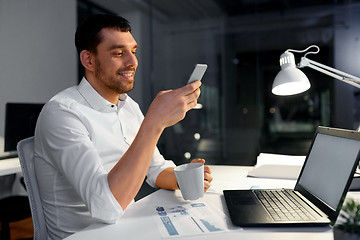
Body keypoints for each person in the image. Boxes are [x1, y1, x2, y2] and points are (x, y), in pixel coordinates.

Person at [34, 14, 213, 239]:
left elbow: (154, 169)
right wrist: (154, 123)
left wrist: (182, 177)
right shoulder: (62, 113)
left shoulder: (128, 106)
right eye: (118, 53)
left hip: (128, 228)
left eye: (134, 51)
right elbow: (106, 208)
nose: (132, 62)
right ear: (89, 60)